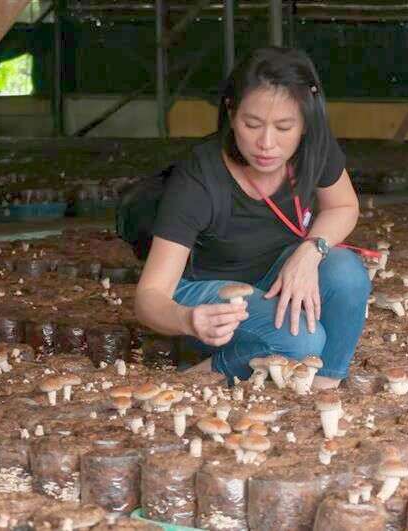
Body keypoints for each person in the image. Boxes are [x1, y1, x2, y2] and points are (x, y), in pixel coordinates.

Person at [134, 47, 371, 390]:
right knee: (302, 339)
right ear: (231, 113)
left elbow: (342, 207)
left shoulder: (314, 149)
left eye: (284, 126)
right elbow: (150, 295)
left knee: (346, 271)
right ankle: (198, 379)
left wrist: (309, 252)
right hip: (210, 300)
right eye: (252, 124)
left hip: (274, 280)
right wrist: (186, 319)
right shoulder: (199, 178)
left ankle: (321, 386)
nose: (266, 144)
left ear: (306, 122)